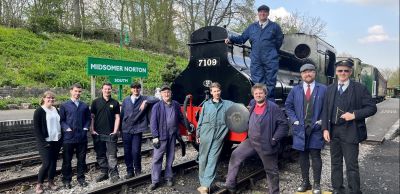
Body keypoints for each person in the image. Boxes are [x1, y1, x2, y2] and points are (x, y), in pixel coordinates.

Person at [216, 83, 288, 194]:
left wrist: (274, 139)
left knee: (271, 171)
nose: (258, 95)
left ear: (265, 94)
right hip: (251, 141)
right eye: (256, 93)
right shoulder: (253, 104)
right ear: (253, 95)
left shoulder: (273, 107)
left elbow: (283, 124)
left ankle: (274, 192)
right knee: (236, 155)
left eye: (260, 93)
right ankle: (230, 184)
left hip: (266, 142)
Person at [322, 59, 377, 194]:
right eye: (340, 70)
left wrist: (354, 115)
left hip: (351, 132)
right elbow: (325, 110)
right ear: (336, 72)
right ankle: (337, 189)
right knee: (335, 163)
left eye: (346, 70)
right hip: (334, 131)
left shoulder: (360, 88)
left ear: (350, 72)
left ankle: (354, 191)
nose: (343, 73)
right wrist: (325, 128)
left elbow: (372, 108)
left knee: (351, 165)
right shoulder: (330, 89)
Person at [225, 4, 283, 100]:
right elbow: (242, 38)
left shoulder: (275, 27)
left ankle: (270, 106)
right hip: (256, 59)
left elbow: (279, 42)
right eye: (260, 11)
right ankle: (260, 104)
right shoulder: (252, 27)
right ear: (258, 13)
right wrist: (231, 39)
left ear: (268, 13)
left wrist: (271, 52)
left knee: (270, 82)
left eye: (265, 12)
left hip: (270, 59)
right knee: (258, 83)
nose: (262, 13)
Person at [284, 64, 326, 194]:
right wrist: (295, 120)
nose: (307, 74)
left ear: (315, 73)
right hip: (300, 129)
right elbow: (288, 106)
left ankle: (317, 184)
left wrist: (322, 121)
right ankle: (305, 182)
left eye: (310, 71)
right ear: (301, 75)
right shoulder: (295, 90)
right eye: (305, 72)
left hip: (316, 129)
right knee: (302, 157)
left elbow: (328, 108)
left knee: (316, 156)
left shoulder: (324, 89)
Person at [195, 82, 234, 194]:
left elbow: (239, 106)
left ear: (220, 91)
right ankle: (203, 183)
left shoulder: (227, 104)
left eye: (218, 91)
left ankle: (205, 186)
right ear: (211, 92)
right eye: (214, 91)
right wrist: (198, 135)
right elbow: (200, 121)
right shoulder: (206, 105)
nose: (216, 93)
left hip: (218, 136)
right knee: (203, 159)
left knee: (213, 160)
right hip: (205, 134)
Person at [148, 85, 185, 190]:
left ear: (171, 93)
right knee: (157, 158)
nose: (166, 94)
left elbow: (181, 118)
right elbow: (153, 122)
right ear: (161, 94)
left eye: (168, 92)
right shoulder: (157, 106)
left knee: (170, 157)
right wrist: (155, 137)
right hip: (161, 136)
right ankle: (155, 181)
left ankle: (168, 177)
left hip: (172, 135)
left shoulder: (176, 104)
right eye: (164, 92)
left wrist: (188, 125)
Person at [120, 82, 159, 179]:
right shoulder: (126, 100)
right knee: (127, 151)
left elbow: (157, 99)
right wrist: (120, 129)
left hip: (138, 129)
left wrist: (146, 102)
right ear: (131, 89)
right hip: (126, 129)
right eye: (133, 88)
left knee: (136, 151)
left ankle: (137, 169)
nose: (135, 90)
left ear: (140, 89)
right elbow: (122, 115)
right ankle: (129, 171)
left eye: (137, 88)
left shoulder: (144, 98)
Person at [59, 83, 91, 188]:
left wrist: (86, 128)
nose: (77, 93)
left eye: (79, 91)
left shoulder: (84, 105)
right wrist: (66, 128)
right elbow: (61, 120)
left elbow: (88, 119)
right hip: (68, 138)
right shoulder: (64, 105)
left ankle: (81, 178)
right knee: (67, 160)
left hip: (81, 138)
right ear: (71, 91)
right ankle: (66, 180)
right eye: (76, 91)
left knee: (81, 160)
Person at [90, 82, 121, 183]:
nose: (107, 91)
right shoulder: (95, 102)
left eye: (109, 89)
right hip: (98, 133)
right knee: (100, 154)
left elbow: (117, 117)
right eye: (105, 89)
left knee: (112, 155)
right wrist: (92, 129)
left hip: (111, 133)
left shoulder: (115, 103)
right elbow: (92, 117)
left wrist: (115, 131)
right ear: (101, 89)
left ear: (111, 90)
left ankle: (114, 173)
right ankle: (104, 172)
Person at [33, 91, 62, 194]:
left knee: (53, 163)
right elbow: (37, 129)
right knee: (46, 163)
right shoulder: (39, 111)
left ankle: (51, 182)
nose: (51, 99)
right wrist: (43, 142)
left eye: (53, 98)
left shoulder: (55, 109)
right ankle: (39, 184)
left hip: (56, 140)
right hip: (45, 142)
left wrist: (61, 139)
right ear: (44, 98)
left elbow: (59, 124)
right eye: (49, 98)